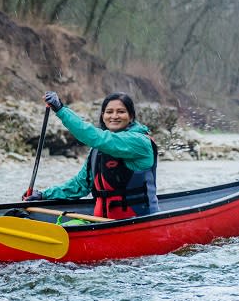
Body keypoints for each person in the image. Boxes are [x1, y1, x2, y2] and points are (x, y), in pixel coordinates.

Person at [23, 91, 159, 219]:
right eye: (109, 112)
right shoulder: (98, 148)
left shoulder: (139, 142)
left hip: (138, 220)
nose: (114, 116)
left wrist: (60, 110)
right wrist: (43, 195)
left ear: (131, 117)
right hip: (101, 221)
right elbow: (80, 185)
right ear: (103, 116)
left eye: (121, 112)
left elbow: (95, 136)